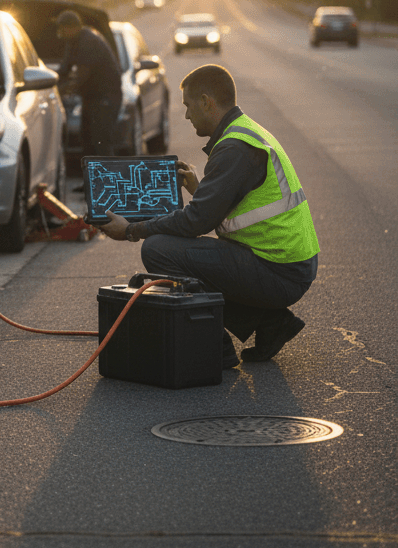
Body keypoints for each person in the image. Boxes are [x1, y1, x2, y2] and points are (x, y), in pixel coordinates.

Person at [100, 64, 318, 368]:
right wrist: (200, 188)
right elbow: (229, 211)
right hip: (285, 263)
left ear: (206, 102)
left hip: (281, 272)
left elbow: (195, 222)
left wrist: (131, 230)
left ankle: (217, 349)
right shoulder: (245, 131)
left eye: (189, 106)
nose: (187, 115)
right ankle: (270, 323)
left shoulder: (234, 148)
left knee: (158, 249)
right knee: (184, 253)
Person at [55, 9, 122, 158]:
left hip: (106, 98)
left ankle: (107, 179)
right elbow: (64, 69)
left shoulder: (88, 41)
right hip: (91, 98)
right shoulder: (72, 42)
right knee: (86, 140)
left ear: (71, 27)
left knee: (101, 141)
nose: (60, 33)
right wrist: (52, 83)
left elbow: (83, 76)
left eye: (62, 28)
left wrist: (64, 90)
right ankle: (90, 180)